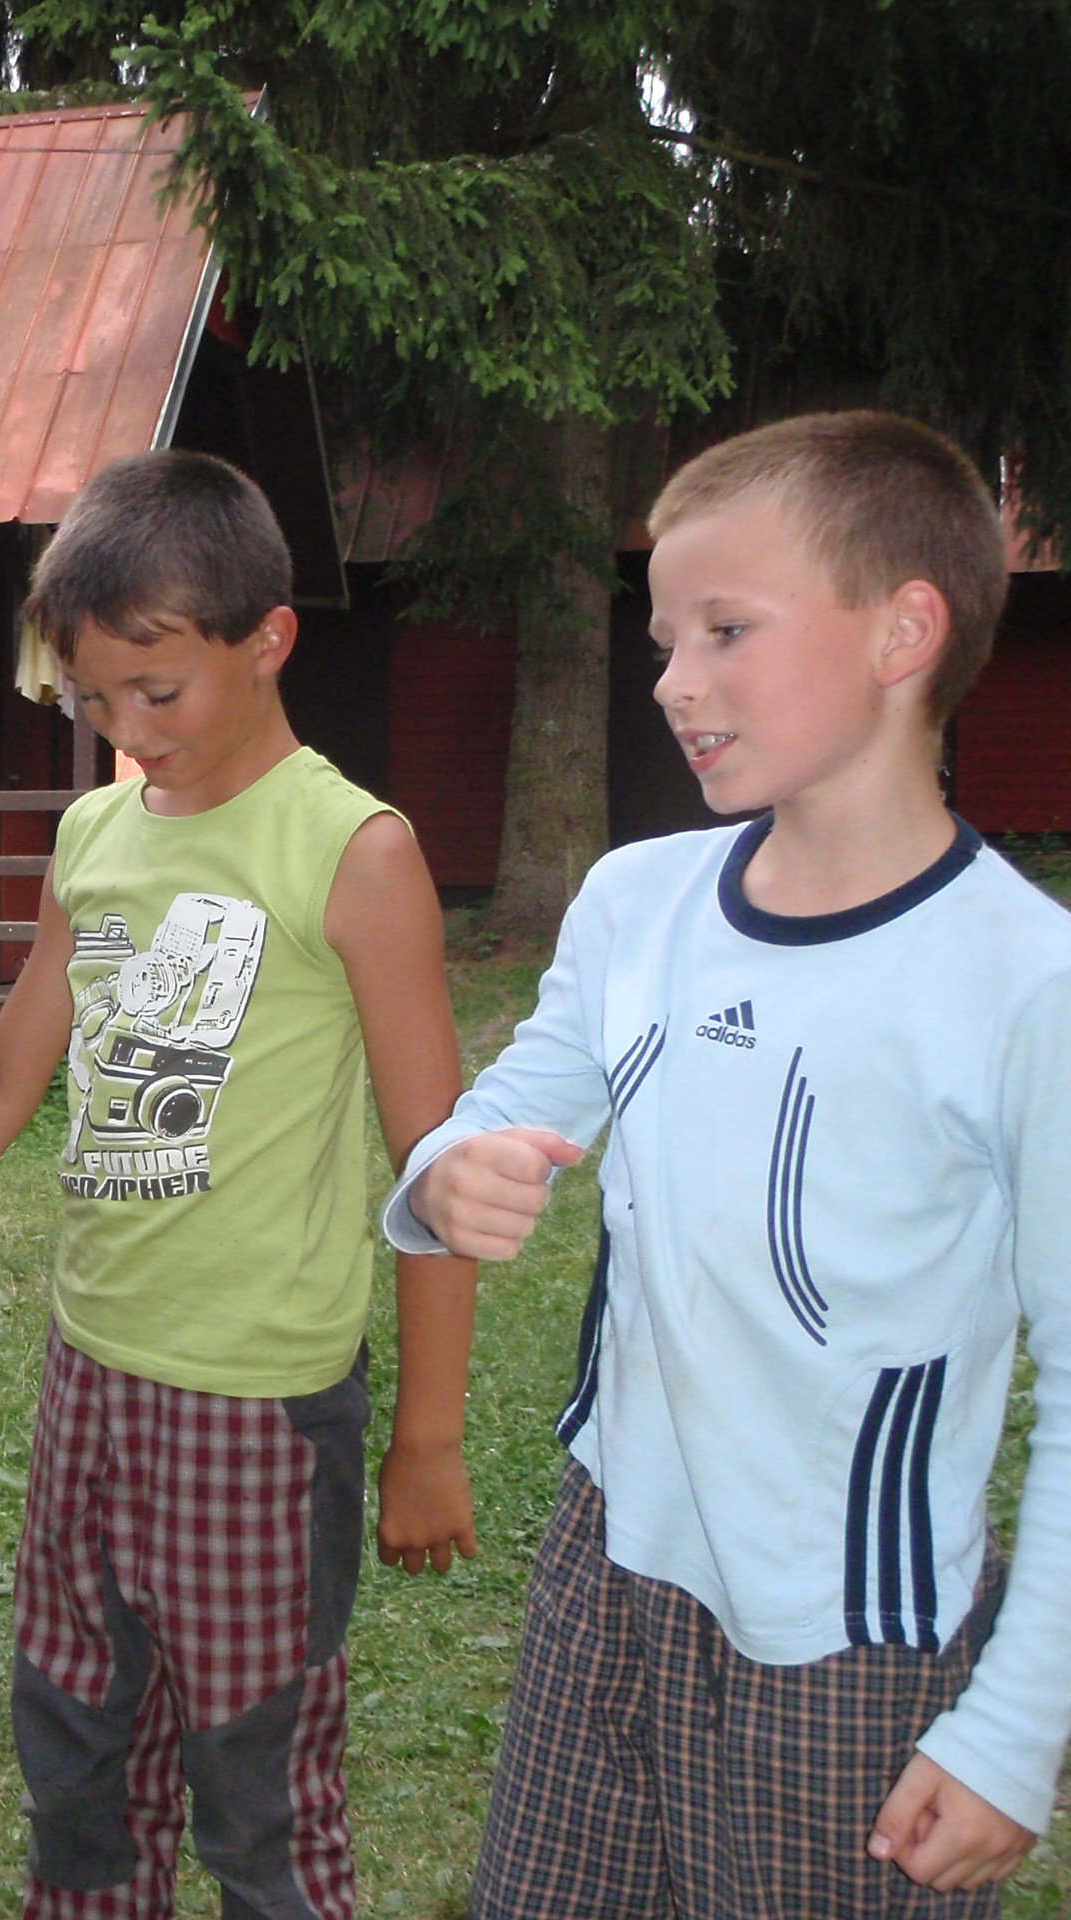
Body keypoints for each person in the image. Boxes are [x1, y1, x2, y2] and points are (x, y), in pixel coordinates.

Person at [389, 411, 1071, 1916]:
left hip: (850, 1640)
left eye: (725, 630)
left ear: (902, 632)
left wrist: (1018, 1727)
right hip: (608, 1564)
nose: (673, 681)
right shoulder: (637, 903)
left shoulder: (1027, 985)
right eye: (663, 641)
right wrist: (446, 1174)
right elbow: (495, 1110)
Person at [0, 450, 481, 1920]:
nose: (126, 730)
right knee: (79, 1757)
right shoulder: (95, 835)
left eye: (157, 692)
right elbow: (2, 1077)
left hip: (260, 1405)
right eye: (94, 699)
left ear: (268, 639)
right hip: (92, 1379)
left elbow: (437, 1166)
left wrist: (427, 1439)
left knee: (262, 1799)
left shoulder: (352, 852)